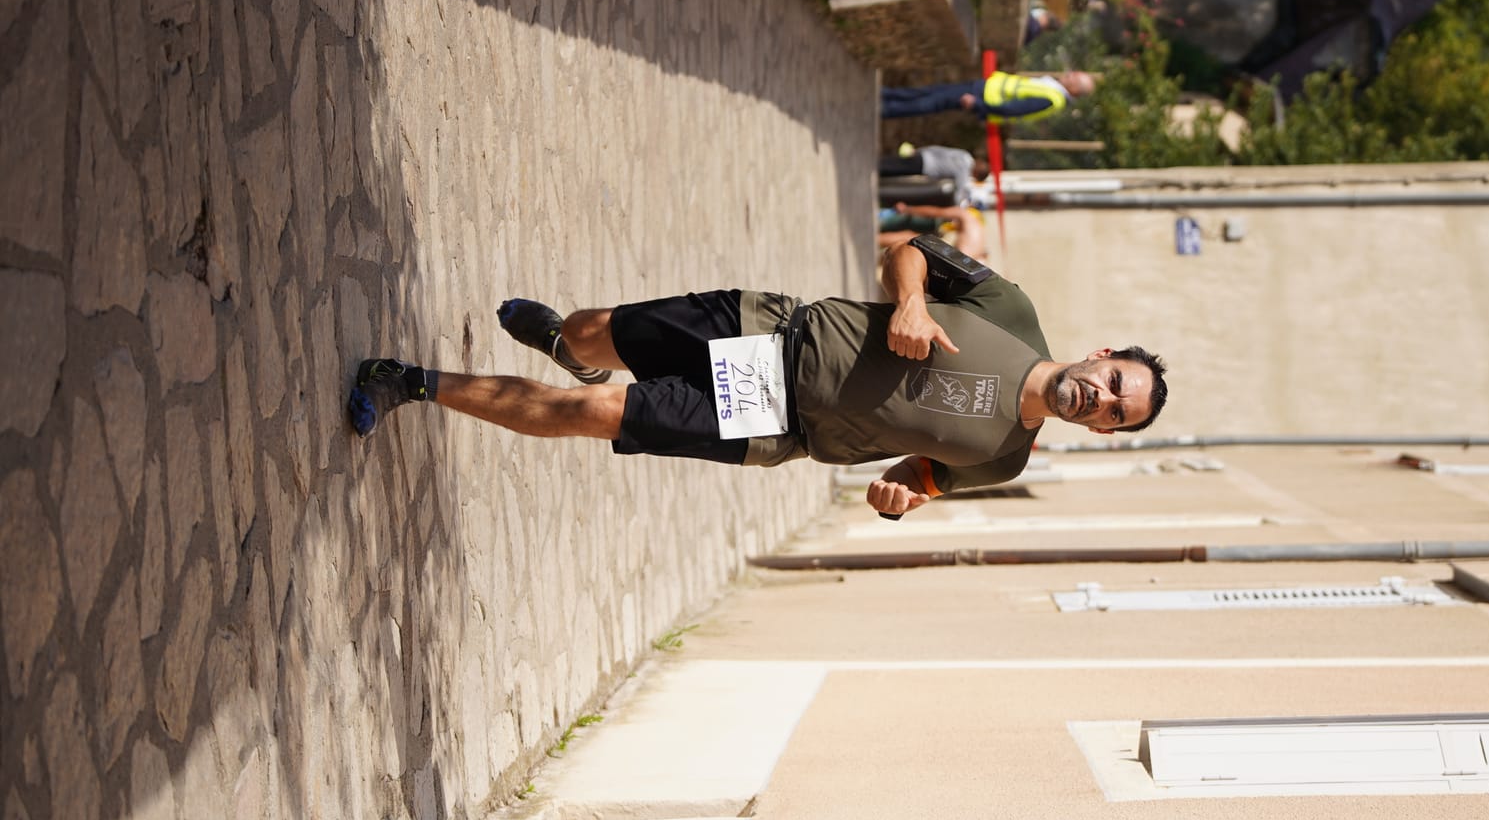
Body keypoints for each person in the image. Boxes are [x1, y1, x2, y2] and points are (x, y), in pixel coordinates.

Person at [347, 237, 1167, 517]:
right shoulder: (1008, 308)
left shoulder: (1006, 460)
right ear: (1101, 354)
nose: (1101, 398)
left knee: (588, 412)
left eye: (1113, 413)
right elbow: (905, 250)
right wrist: (912, 304)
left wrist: (900, 493)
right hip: (771, 329)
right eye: (1114, 381)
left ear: (1100, 431)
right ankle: (568, 339)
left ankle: (406, 381)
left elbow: (924, 473)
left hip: (771, 421)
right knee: (597, 334)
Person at [880, 69, 1096, 122]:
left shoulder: (1052, 99)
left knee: (929, 102)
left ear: (1075, 90)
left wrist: (978, 105)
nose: (1068, 75)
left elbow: (1013, 109)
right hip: (981, 88)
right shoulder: (1053, 89)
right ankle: (886, 96)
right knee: (930, 92)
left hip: (979, 97)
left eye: (1073, 78)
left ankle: (886, 109)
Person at [877, 202, 987, 260]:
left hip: (953, 261)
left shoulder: (965, 215)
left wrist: (907, 209)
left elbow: (934, 212)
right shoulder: (978, 235)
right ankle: (881, 259)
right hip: (960, 268)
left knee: (911, 237)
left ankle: (874, 241)